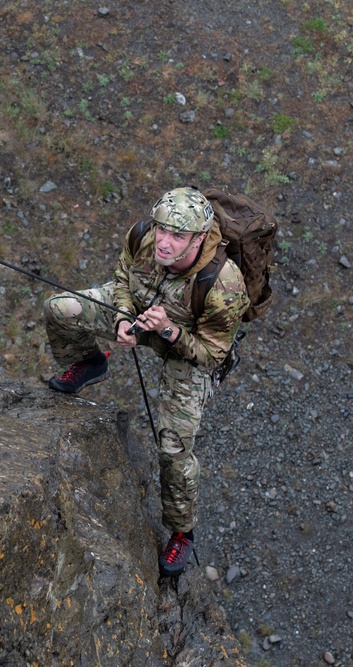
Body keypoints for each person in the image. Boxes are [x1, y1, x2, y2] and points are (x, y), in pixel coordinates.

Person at [42, 187, 249, 577]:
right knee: (60, 308)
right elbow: (122, 278)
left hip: (186, 347)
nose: (164, 243)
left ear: (200, 238)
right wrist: (122, 318)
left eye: (177, 236)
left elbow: (213, 355)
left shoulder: (224, 285)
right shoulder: (142, 237)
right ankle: (89, 362)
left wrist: (169, 331)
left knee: (173, 448)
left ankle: (182, 532)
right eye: (162, 230)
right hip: (142, 317)